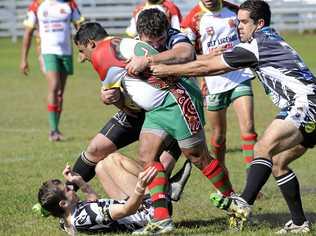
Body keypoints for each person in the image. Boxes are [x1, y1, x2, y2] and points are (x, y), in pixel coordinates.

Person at [151, 0, 314, 233]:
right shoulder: (264, 39)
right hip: (304, 104)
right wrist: (162, 61)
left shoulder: (256, 45)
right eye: (238, 22)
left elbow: (210, 69)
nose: (239, 27)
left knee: (262, 148)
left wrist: (167, 70)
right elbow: (208, 60)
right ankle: (299, 223)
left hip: (306, 104)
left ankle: (242, 203)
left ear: (259, 23)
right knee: (278, 163)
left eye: (244, 22)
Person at [74, 21, 235, 234]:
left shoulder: (101, 54)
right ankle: (161, 220)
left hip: (176, 101)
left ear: (91, 43)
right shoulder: (120, 43)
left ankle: (235, 203)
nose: (82, 57)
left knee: (198, 157)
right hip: (156, 110)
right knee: (147, 156)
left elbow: (118, 96)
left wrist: (113, 98)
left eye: (82, 51)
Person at [70, 8, 197, 203]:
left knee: (158, 163)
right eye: (149, 42)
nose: (155, 44)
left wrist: (148, 59)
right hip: (136, 110)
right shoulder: (129, 44)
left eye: (159, 39)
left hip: (172, 105)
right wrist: (111, 96)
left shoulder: (174, 37)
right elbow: (121, 85)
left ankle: (157, 207)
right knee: (96, 149)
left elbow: (186, 52)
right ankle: (64, 193)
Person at [181, 0, 257, 174]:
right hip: (213, 82)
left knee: (248, 128)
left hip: (239, 75)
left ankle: (252, 177)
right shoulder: (192, 20)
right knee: (219, 136)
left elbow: (252, 35)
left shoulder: (235, 10)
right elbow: (185, 55)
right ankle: (222, 170)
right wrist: (208, 56)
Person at [37, 153, 159, 235]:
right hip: (148, 211)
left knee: (100, 167)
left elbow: (94, 202)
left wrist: (79, 181)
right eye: (67, 190)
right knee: (114, 158)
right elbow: (127, 210)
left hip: (128, 208)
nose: (71, 188)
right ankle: (160, 186)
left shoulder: (66, 220)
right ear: (63, 203)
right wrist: (140, 187)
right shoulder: (90, 214)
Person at [20, 0, 84, 141]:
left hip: (66, 53)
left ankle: (56, 128)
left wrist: (83, 49)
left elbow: (80, 27)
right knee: (54, 86)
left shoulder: (70, 4)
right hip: (47, 51)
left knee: (60, 93)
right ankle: (53, 130)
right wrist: (24, 59)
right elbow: (28, 32)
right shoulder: (37, 4)